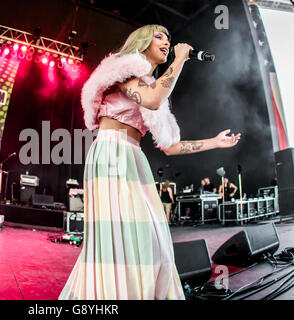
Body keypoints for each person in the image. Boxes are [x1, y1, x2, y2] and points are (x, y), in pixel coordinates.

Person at [59, 24, 241, 300]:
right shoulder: (123, 70)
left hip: (133, 156)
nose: (167, 42)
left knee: (154, 240)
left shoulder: (148, 84)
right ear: (142, 41)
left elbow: (170, 145)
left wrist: (214, 142)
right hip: (111, 154)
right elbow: (154, 99)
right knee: (120, 240)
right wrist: (180, 59)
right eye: (159, 36)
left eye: (169, 38)